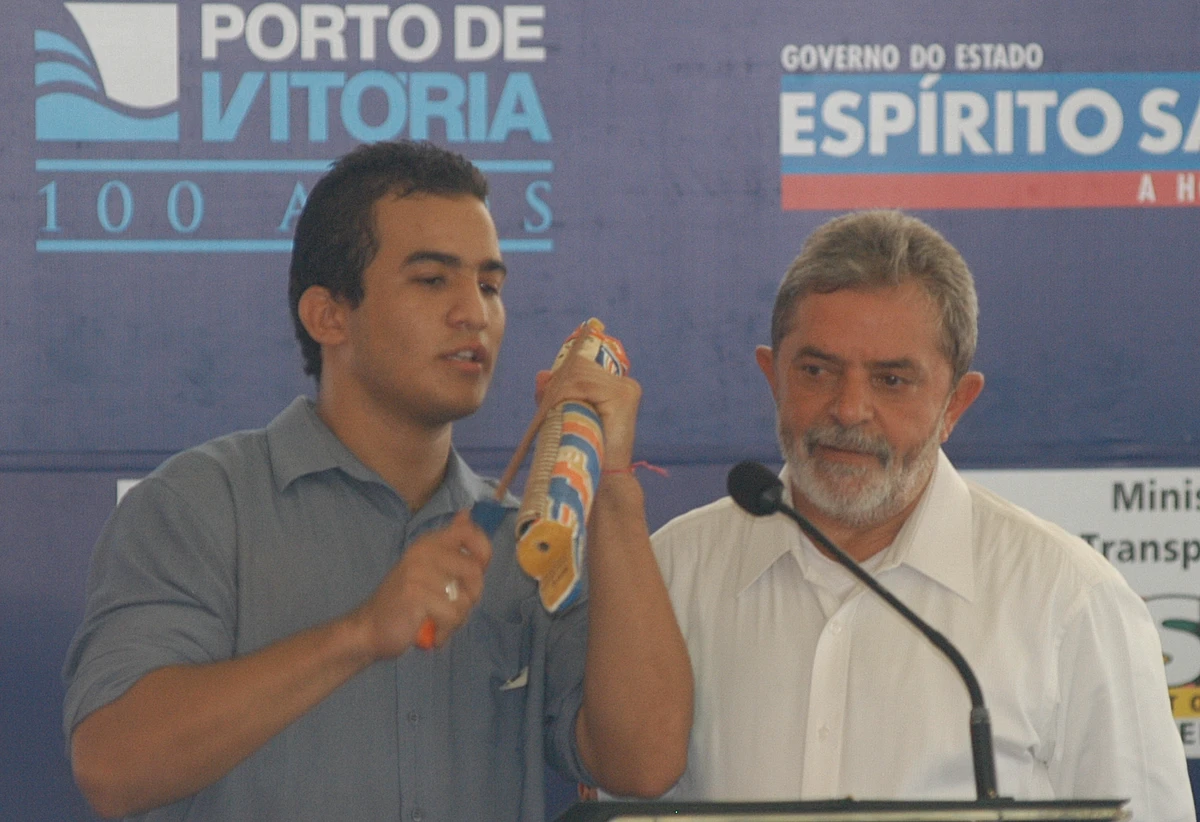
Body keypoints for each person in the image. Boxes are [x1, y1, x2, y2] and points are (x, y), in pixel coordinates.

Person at [62, 140, 691, 822]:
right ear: (328, 314)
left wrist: (616, 482)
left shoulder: (530, 538)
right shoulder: (197, 506)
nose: (474, 314)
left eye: (489, 284)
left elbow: (645, 763)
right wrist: (359, 633)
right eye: (432, 280)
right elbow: (112, 766)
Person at [651, 210, 1194, 821]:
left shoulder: (1069, 601)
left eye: (891, 379)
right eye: (817, 370)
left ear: (956, 404)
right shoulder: (673, 573)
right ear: (771, 375)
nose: (849, 408)